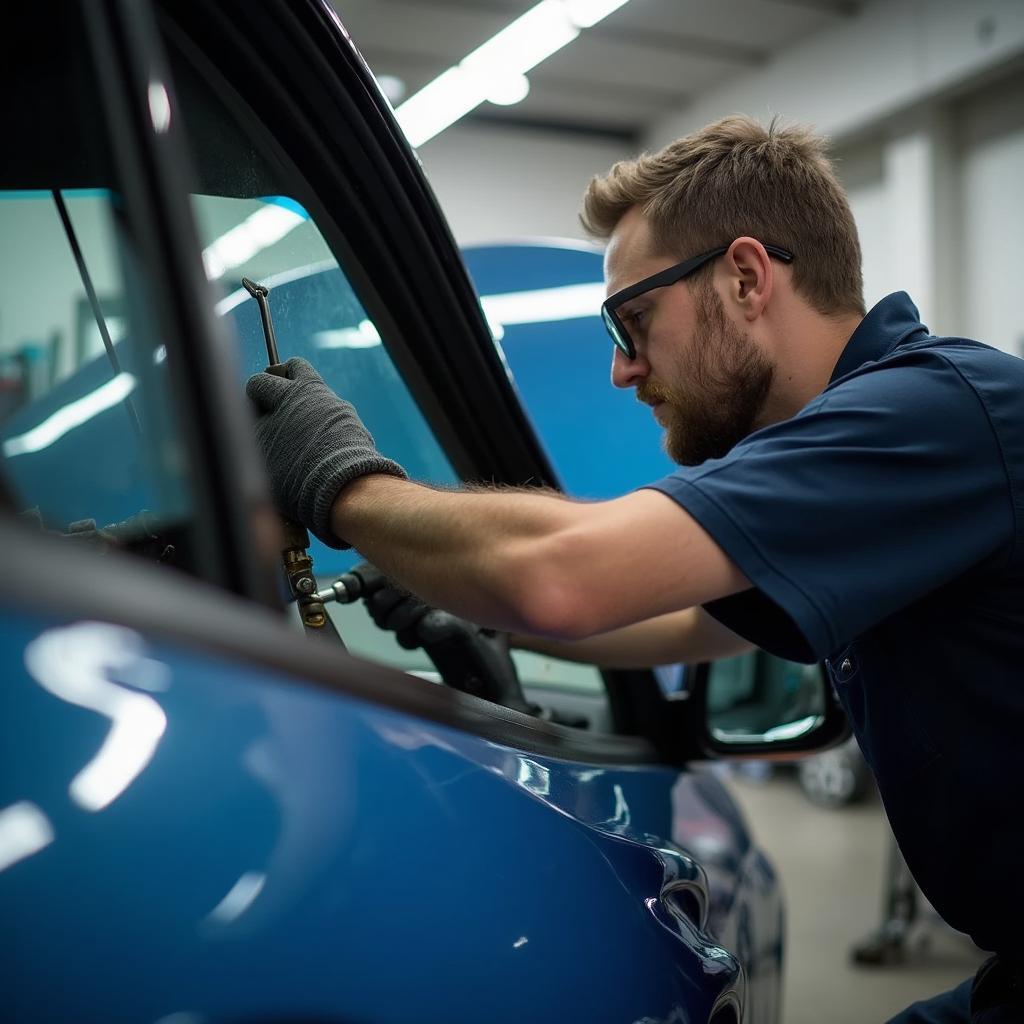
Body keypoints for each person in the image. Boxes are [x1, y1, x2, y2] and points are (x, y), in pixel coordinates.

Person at [246, 115, 1024, 1023]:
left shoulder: (928, 415)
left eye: (631, 317)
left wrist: (340, 482)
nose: (622, 368)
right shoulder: (888, 449)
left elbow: (567, 575)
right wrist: (463, 608)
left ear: (745, 277)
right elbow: (684, 624)